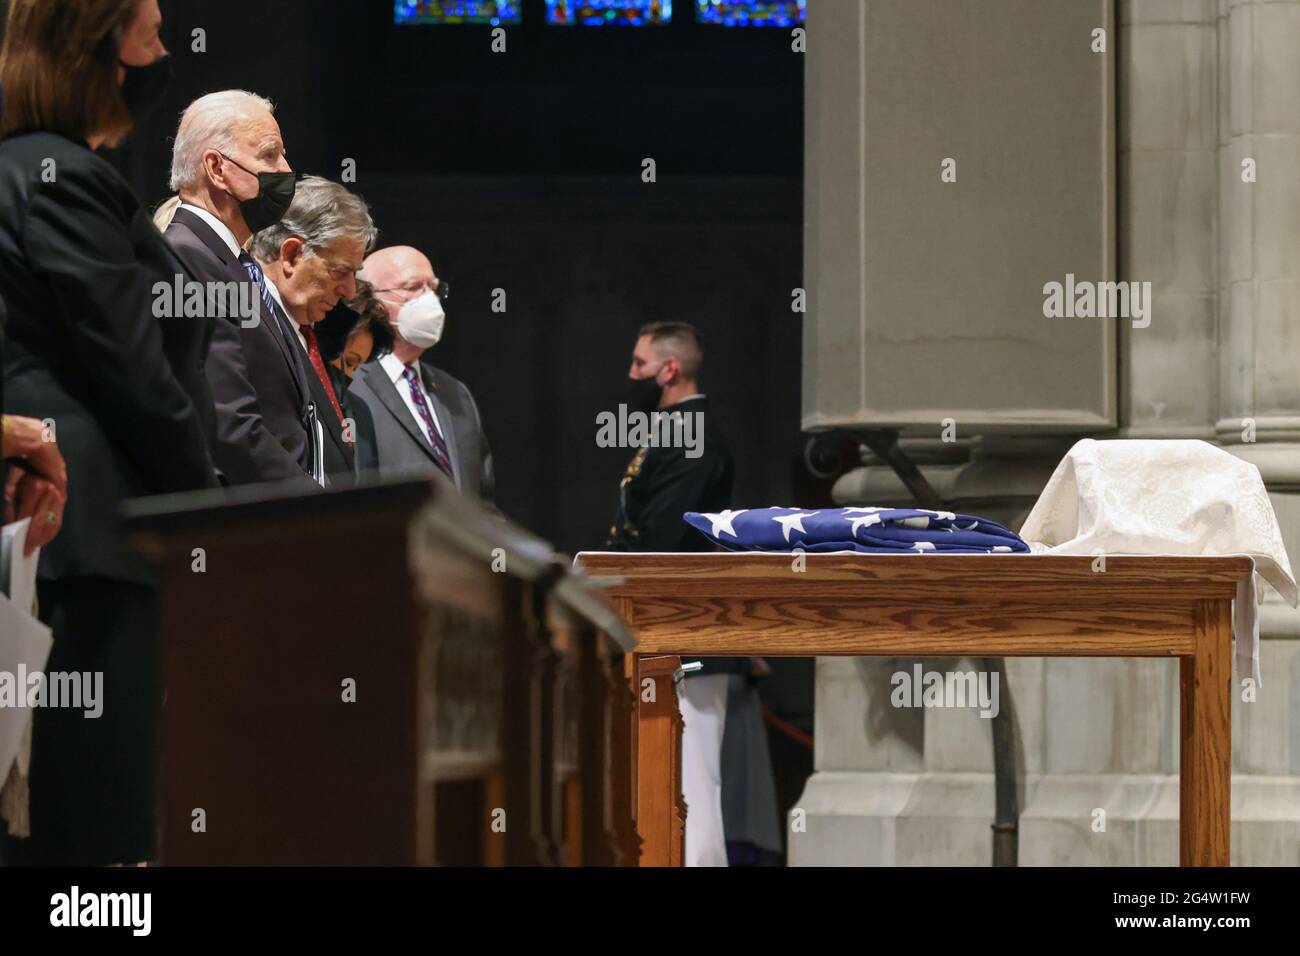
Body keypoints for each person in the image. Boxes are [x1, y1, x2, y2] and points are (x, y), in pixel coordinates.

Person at [0, 0, 219, 865]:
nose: (165, 51)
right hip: (87, 536)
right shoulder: (61, 176)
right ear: (95, 45)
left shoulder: (25, 169)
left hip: (50, 534)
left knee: (41, 814)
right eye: (151, 32)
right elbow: (131, 371)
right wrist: (213, 515)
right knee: (94, 824)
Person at [604, 321, 765, 867]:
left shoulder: (692, 438)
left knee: (691, 783)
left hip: (686, 627)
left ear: (668, 370)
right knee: (665, 775)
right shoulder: (670, 432)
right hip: (663, 631)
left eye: (638, 364)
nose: (631, 376)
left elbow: (665, 539)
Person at [162, 90, 316, 488]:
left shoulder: (231, 260)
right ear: (216, 167)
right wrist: (316, 507)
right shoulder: (184, 257)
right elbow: (227, 425)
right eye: (269, 155)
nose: (285, 170)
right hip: (251, 522)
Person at [252, 176, 377, 488]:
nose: (350, 292)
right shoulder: (242, 320)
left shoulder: (301, 333)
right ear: (292, 255)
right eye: (340, 272)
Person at [349, 246, 494, 499]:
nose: (430, 299)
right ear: (370, 300)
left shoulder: (456, 393)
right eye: (413, 287)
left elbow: (483, 498)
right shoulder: (350, 385)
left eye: (434, 288)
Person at [315, 280, 391, 477]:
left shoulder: (359, 413)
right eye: (348, 362)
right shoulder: (294, 390)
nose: (348, 376)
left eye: (355, 367)